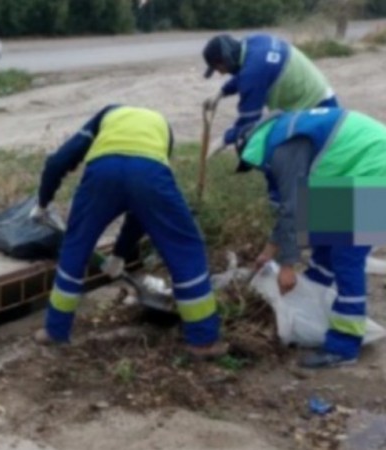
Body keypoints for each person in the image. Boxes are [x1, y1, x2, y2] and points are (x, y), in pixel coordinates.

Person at [29, 103, 228, 359]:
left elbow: (57, 162)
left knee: (75, 247)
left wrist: (43, 202)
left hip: (103, 173)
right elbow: (141, 212)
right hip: (149, 174)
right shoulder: (162, 128)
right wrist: (120, 254)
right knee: (186, 248)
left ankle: (55, 332)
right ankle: (202, 341)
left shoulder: (106, 115)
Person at [236, 106, 386, 368]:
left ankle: (344, 345)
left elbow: (291, 209)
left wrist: (287, 267)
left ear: (252, 153)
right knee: (324, 239)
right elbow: (288, 212)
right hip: (359, 170)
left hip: (376, 171)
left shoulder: (284, 150)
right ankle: (315, 297)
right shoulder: (283, 136)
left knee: (346, 257)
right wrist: (268, 252)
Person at [201, 33, 339, 207]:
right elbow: (247, 72)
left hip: (314, 108)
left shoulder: (252, 75)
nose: (222, 74)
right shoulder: (254, 42)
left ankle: (281, 206)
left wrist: (223, 140)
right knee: (315, 163)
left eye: (220, 68)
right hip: (321, 96)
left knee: (275, 155)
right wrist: (221, 93)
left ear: (227, 59)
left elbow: (248, 127)